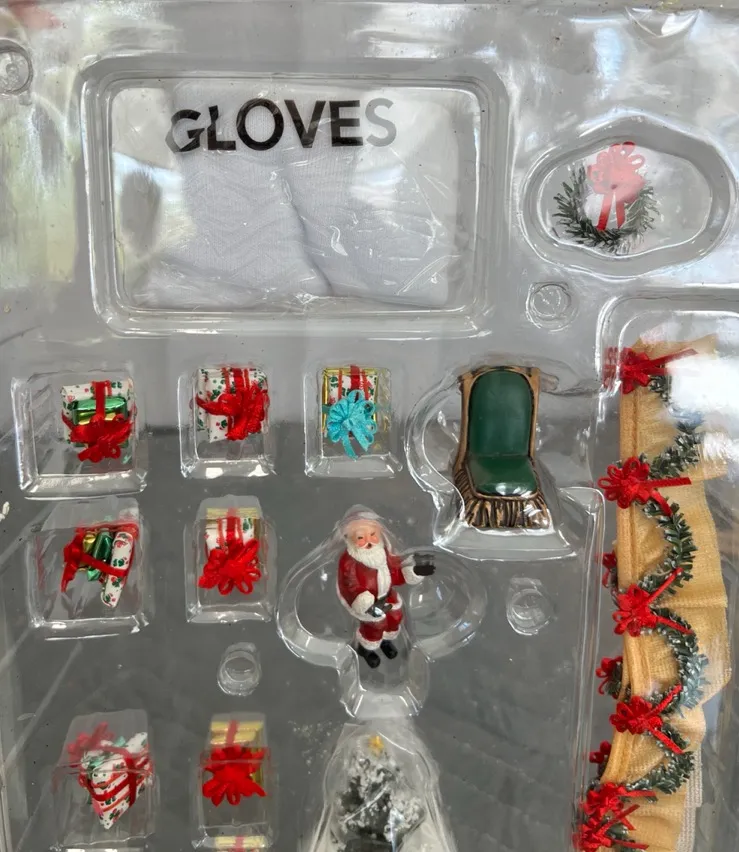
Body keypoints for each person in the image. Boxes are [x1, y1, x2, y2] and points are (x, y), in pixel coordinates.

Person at [336, 510, 435, 668]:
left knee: (394, 618)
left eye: (372, 534)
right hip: (369, 604)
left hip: (387, 596)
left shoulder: (383, 553)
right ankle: (365, 648)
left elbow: (395, 574)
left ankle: (385, 641)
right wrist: (364, 602)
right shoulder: (349, 562)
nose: (369, 541)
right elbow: (349, 585)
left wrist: (414, 571)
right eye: (360, 537)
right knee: (375, 625)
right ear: (349, 538)